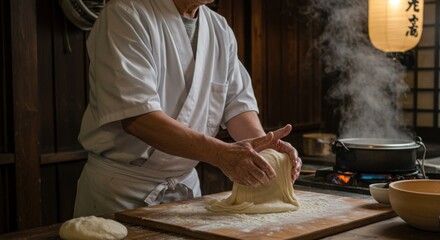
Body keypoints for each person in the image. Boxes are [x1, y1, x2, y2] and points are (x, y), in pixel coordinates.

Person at [74, 0, 302, 217]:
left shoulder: (219, 29)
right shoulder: (125, 15)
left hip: (186, 194)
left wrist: (265, 149)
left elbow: (237, 106)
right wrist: (221, 154)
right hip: (121, 193)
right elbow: (138, 118)